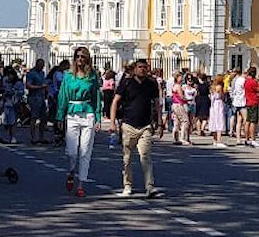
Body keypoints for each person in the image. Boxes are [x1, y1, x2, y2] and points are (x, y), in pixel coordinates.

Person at [109, 58, 163, 198]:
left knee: (145, 156)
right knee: (127, 158)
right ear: (134, 69)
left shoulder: (151, 83)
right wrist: (112, 122)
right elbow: (115, 101)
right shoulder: (127, 82)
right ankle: (127, 185)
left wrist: (160, 122)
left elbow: (157, 103)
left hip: (145, 125)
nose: (142, 69)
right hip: (128, 124)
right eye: (140, 67)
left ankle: (150, 187)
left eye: (145, 67)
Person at [57, 46, 101, 198]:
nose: (80, 59)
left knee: (85, 151)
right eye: (78, 56)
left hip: (88, 113)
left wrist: (98, 117)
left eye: (83, 56)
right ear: (74, 58)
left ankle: (81, 184)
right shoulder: (68, 76)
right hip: (72, 114)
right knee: (71, 152)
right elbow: (62, 96)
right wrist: (59, 116)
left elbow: (96, 96)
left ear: (87, 58)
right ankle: (71, 171)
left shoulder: (92, 76)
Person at [25, 59, 49, 145]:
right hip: (34, 97)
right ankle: (33, 137)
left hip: (41, 97)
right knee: (34, 117)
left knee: (44, 117)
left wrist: (45, 90)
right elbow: (28, 85)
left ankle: (41, 137)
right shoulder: (31, 73)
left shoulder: (42, 73)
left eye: (43, 66)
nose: (42, 67)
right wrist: (40, 87)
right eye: (40, 65)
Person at [208, 76, 227, 147]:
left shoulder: (212, 87)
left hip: (213, 105)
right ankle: (219, 140)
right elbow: (222, 96)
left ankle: (214, 140)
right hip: (218, 104)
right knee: (219, 121)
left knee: (214, 122)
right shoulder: (219, 87)